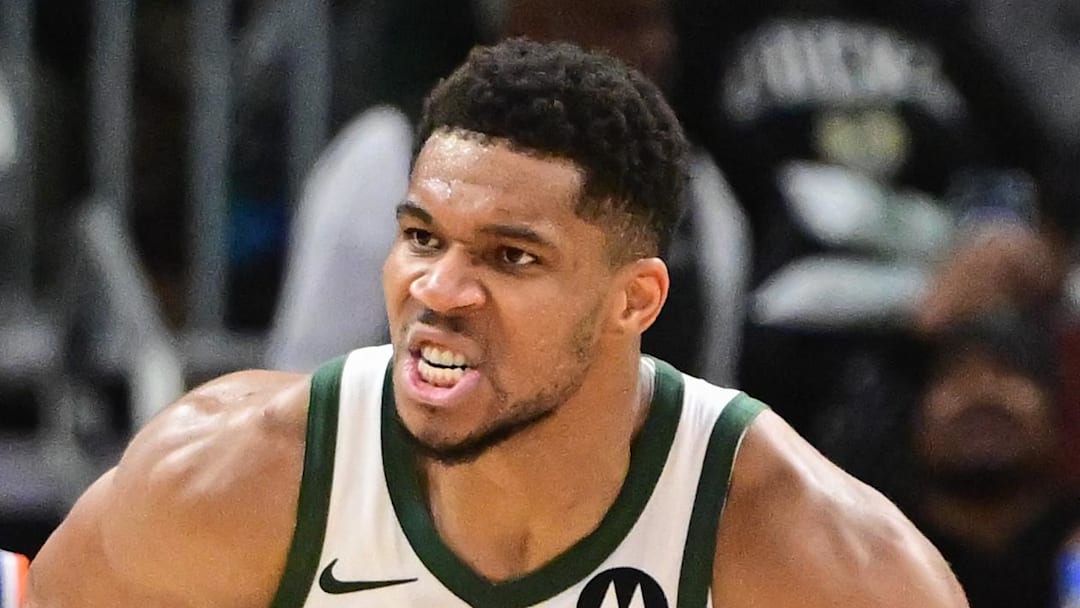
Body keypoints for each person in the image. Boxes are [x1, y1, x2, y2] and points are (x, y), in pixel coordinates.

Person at [25, 39, 966, 607]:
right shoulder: (238, 479)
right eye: (423, 237)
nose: (441, 289)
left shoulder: (800, 546)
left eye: (511, 257)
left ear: (635, 299)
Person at [268, 0, 750, 386]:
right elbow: (306, 385)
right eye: (620, 23)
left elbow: (704, 397)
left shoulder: (696, 191)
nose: (654, 47)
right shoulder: (387, 155)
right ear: (531, 19)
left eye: (656, 23)